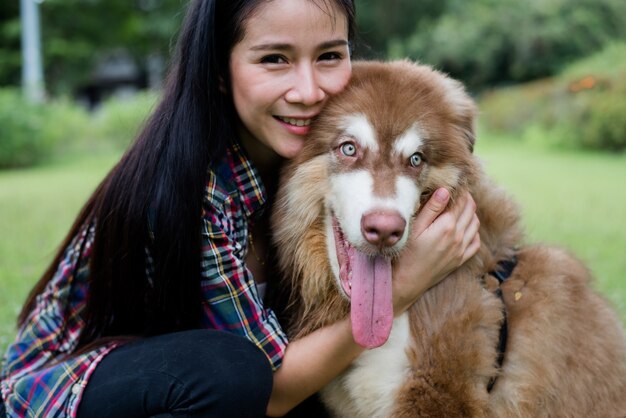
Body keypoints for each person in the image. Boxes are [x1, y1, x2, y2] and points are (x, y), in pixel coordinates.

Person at [0, 0, 481, 417]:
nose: (309, 90)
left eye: (330, 55)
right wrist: (403, 285)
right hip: (64, 392)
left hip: (181, 385)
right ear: (219, 73)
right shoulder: (201, 189)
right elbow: (274, 390)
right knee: (236, 372)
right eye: (275, 59)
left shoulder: (300, 158)